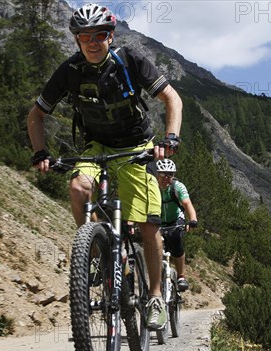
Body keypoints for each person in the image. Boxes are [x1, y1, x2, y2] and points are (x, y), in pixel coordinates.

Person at [27, 3, 183, 331]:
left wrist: (170, 138)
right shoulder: (69, 71)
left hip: (137, 146)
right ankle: (97, 253)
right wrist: (40, 152)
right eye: (85, 36)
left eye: (100, 34)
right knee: (78, 187)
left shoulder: (130, 61)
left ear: (110, 36)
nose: (93, 41)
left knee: (148, 225)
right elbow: (36, 114)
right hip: (96, 145)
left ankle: (155, 295)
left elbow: (172, 99)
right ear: (77, 40)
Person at [155, 159, 197, 291]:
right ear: (156, 174)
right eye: (162, 174)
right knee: (154, 247)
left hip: (175, 220)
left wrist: (193, 220)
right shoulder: (151, 187)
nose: (166, 178)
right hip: (158, 220)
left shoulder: (177, 186)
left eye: (170, 174)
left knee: (176, 239)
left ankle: (181, 276)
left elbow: (187, 204)